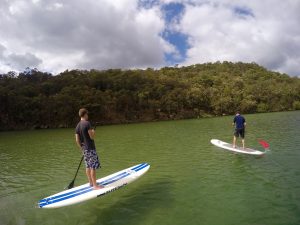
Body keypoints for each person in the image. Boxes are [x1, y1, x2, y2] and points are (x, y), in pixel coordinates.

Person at [75, 108, 103, 190]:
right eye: (87, 114)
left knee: (88, 166)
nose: (88, 116)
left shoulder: (77, 126)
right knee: (92, 167)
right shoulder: (87, 123)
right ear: (85, 114)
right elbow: (92, 136)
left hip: (84, 149)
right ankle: (95, 186)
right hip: (90, 148)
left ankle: (91, 183)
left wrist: (81, 148)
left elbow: (77, 140)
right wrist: (93, 132)